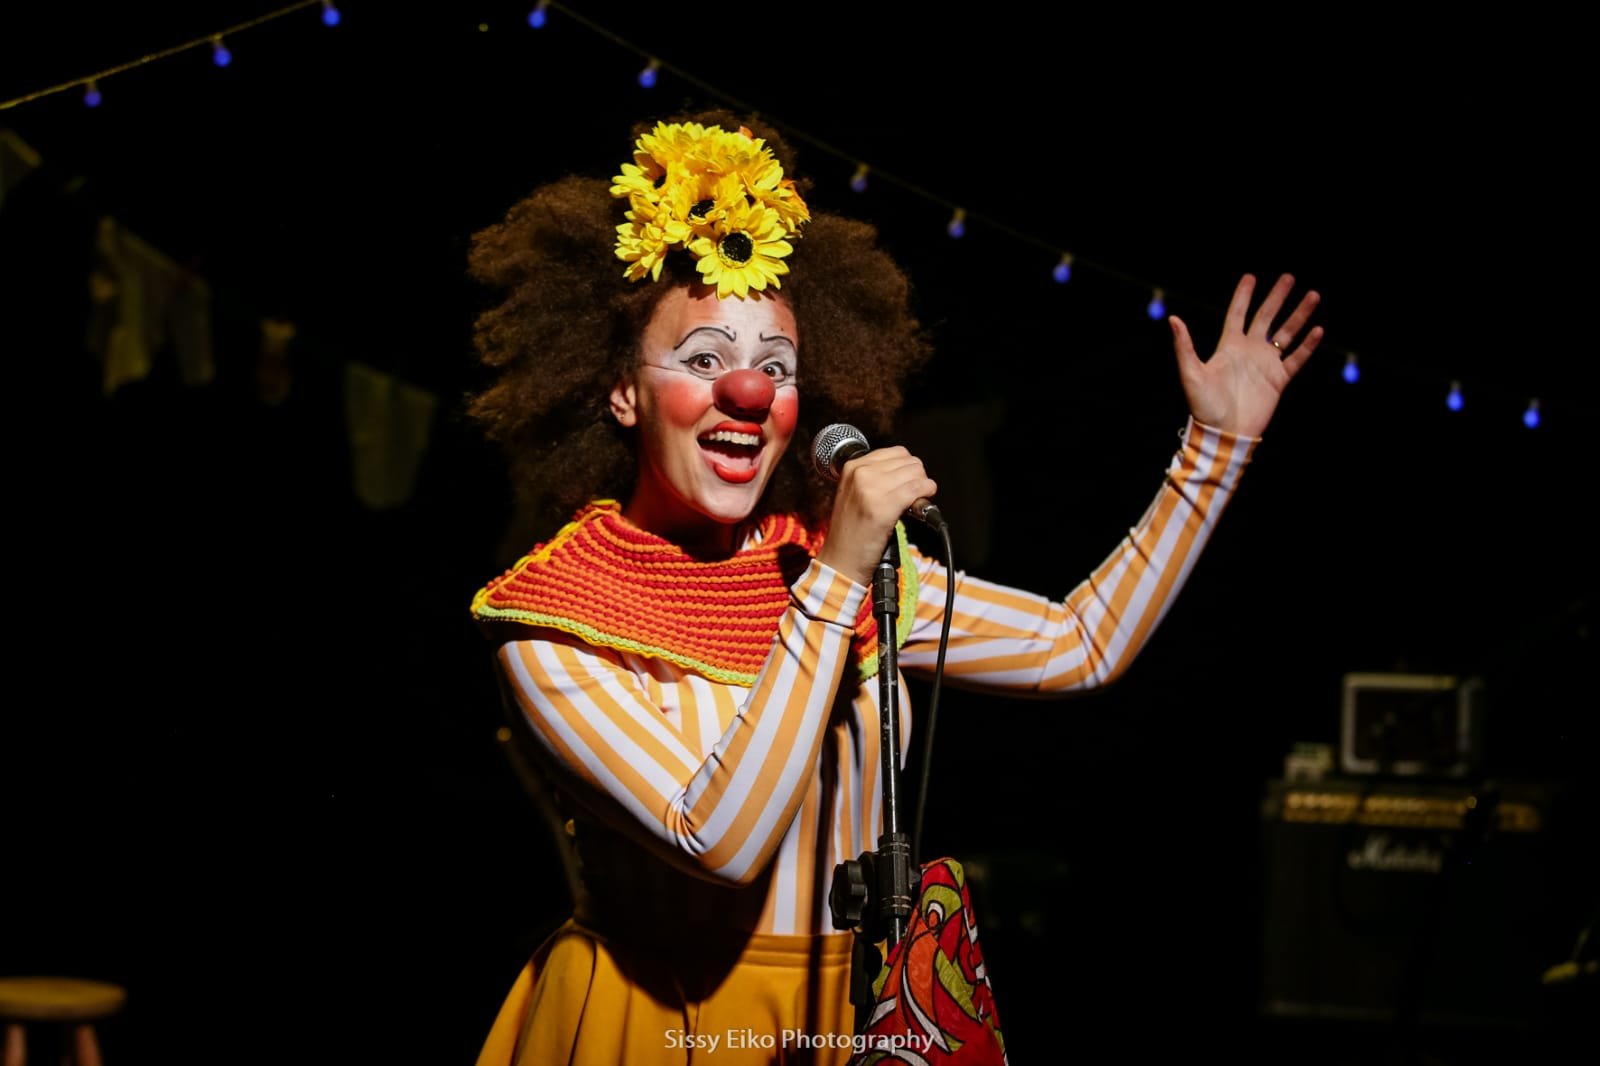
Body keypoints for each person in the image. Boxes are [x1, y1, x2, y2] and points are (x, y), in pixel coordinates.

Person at [466, 110, 1321, 1065]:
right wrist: (834, 580)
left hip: (844, 1022)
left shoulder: (843, 566)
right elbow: (721, 843)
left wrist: (1215, 448)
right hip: (657, 1026)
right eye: (703, 359)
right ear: (623, 392)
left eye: (773, 367)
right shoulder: (551, 620)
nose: (745, 392)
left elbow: (1081, 645)